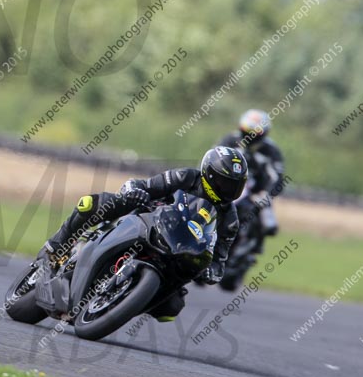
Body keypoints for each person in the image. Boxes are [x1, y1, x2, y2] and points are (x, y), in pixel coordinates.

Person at [41, 146, 248, 321]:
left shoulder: (230, 219)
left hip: (178, 249)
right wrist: (136, 192)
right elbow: (146, 185)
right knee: (90, 204)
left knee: (172, 309)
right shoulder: (186, 177)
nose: (229, 190)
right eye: (225, 183)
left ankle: (118, 303)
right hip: (145, 220)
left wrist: (213, 271)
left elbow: (220, 258)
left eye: (235, 186)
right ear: (209, 173)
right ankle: (57, 245)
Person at [219, 109, 285, 253]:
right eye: (246, 130)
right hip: (226, 188)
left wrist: (265, 194)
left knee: (268, 223)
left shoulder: (271, 150)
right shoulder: (230, 140)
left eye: (254, 133)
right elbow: (211, 160)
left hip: (255, 194)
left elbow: (278, 179)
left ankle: (253, 246)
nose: (249, 136)